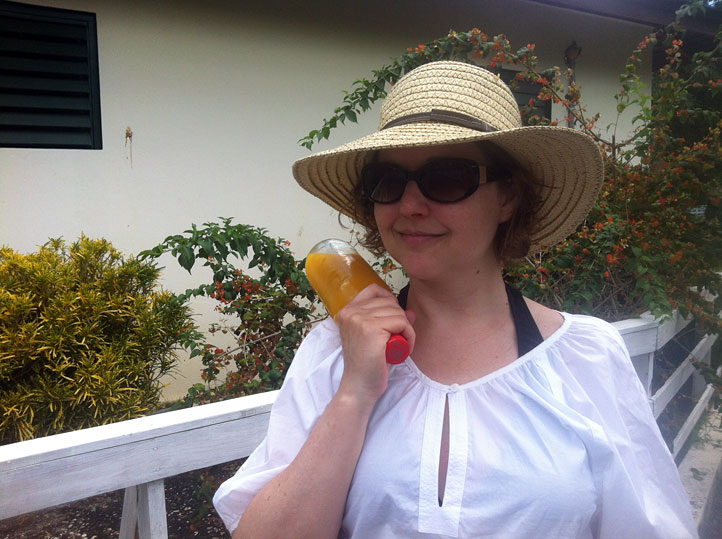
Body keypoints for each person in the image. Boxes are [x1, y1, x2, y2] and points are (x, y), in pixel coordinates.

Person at [213, 61, 698, 538]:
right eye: (387, 182)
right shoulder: (333, 353)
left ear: (508, 197)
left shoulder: (585, 358)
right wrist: (354, 394)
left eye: (446, 177)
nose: (409, 205)